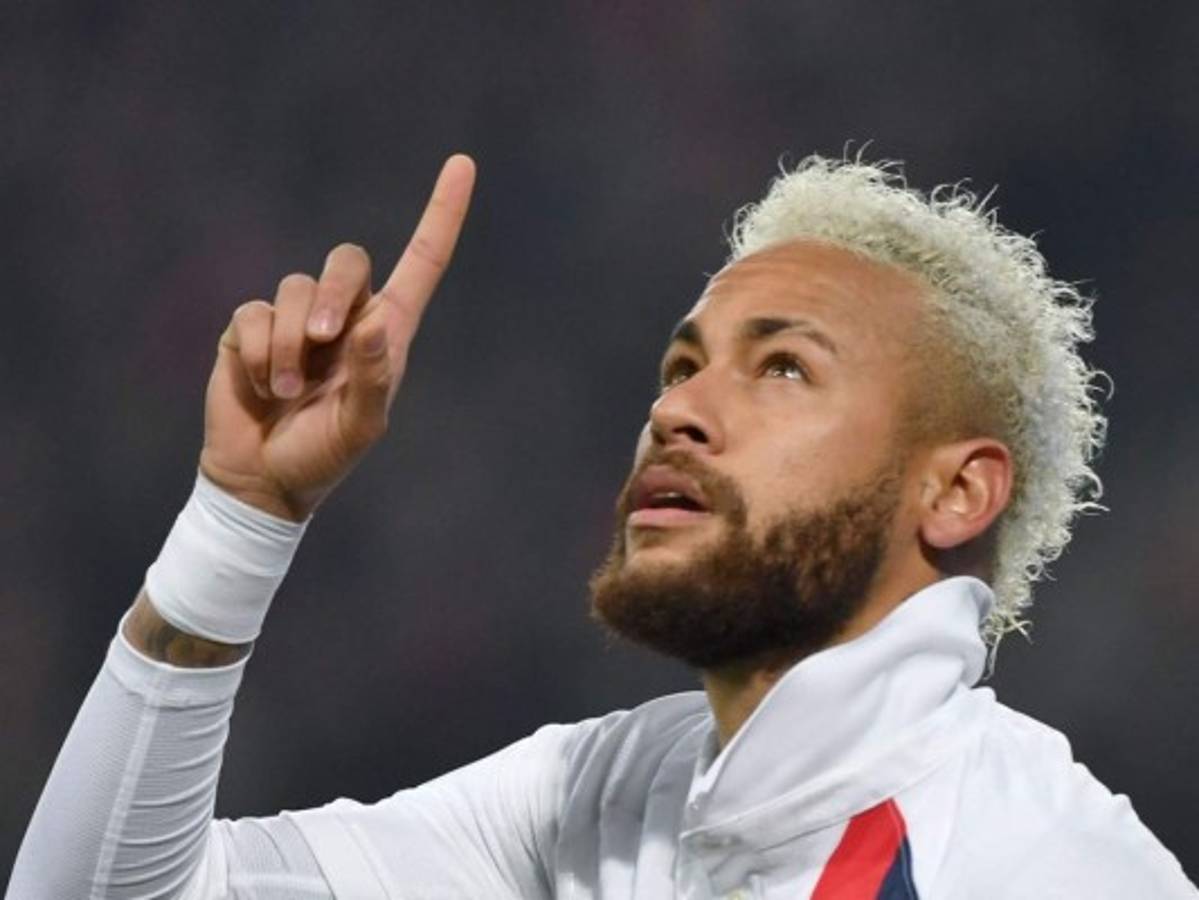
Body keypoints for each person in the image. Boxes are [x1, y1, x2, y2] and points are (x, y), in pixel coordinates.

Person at [7, 153, 1195, 899]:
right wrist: (242, 518)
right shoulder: (597, 796)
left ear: (956, 491)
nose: (677, 410)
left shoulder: (1046, 867)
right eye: (680, 366)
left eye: (783, 368)